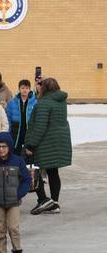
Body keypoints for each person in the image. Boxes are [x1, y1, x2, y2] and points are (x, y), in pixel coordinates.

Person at [25, 77, 72, 215]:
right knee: (53, 172)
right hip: (58, 142)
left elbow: (40, 127)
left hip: (45, 143)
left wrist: (31, 145)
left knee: (35, 169)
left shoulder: (44, 103)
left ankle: (43, 199)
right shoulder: (60, 101)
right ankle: (55, 203)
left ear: (44, 88)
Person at [6, 79, 37, 155]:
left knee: (28, 154)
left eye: (27, 88)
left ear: (29, 89)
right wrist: (8, 132)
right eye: (22, 88)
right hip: (16, 132)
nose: (24, 90)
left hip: (29, 131)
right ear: (19, 89)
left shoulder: (35, 102)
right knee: (16, 152)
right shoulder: (12, 102)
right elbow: (8, 118)